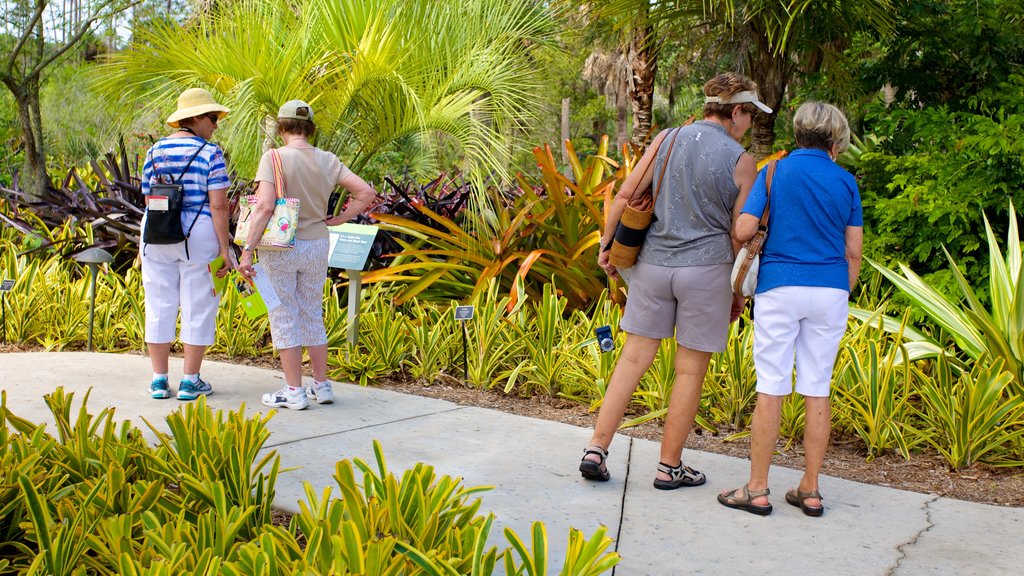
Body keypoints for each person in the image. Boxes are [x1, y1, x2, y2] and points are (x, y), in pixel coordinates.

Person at [580, 72, 767, 488]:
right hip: (706, 272)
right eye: (750, 114)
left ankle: (596, 447)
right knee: (689, 372)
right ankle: (669, 467)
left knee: (632, 359)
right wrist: (736, 292)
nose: (751, 123)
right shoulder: (741, 161)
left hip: (653, 267)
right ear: (736, 111)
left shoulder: (666, 138)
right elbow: (741, 233)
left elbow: (627, 196)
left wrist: (607, 246)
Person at [718, 102, 863, 517]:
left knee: (772, 385)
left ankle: (758, 489)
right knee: (818, 386)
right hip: (831, 290)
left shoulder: (775, 171)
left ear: (798, 133)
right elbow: (853, 251)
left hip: (780, 286)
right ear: (834, 140)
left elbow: (744, 229)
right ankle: (811, 490)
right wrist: (840, 291)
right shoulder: (846, 181)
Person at [237, 100, 376, 410]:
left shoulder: (272, 158)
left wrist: (247, 250)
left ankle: (293, 391)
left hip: (279, 248)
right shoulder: (328, 159)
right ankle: (322, 385)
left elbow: (264, 207)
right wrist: (340, 218)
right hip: (317, 244)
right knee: (312, 310)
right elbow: (366, 193)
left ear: (281, 127)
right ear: (309, 128)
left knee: (284, 312)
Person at [142, 87, 233, 401]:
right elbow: (219, 205)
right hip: (199, 230)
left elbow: (148, 196)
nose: (215, 124)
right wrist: (225, 248)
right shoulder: (211, 153)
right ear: (195, 118)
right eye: (212, 117)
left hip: (157, 228)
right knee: (198, 302)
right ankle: (190, 381)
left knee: (158, 301)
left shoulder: (155, 151)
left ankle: (158, 380)